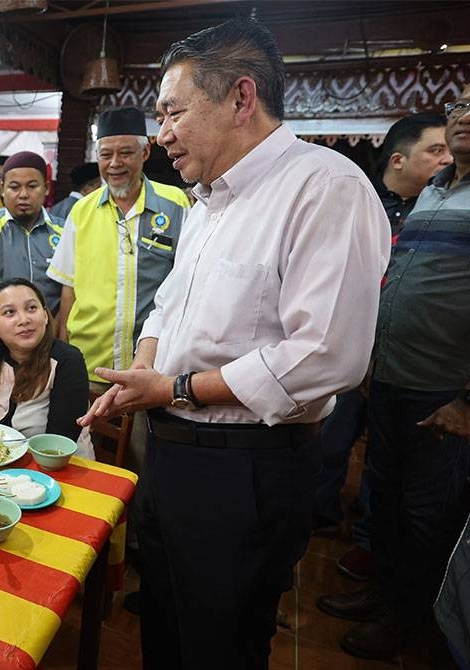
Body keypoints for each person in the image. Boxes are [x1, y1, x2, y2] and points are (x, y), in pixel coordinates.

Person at [80, 19, 390, 668]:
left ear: (241, 98)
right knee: (164, 618)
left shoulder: (324, 187)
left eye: (172, 113)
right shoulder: (208, 203)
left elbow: (325, 352)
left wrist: (177, 388)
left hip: (245, 467)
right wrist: (142, 370)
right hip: (170, 450)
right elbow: (169, 305)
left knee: (220, 641)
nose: (161, 134)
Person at [317, 85, 470, 661]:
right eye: (459, 107)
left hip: (443, 391)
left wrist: (467, 403)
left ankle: (408, 621)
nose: (463, 119)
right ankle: (384, 596)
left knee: (425, 514)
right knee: (384, 498)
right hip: (392, 379)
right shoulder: (434, 189)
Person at [312, 113, 452, 581]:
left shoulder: (436, 211)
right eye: (436, 150)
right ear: (398, 159)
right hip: (356, 355)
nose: (446, 158)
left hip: (427, 373)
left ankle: (387, 572)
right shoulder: (359, 203)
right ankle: (329, 520)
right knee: (345, 446)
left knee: (413, 486)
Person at [48, 106, 189, 382]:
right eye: (106, 155)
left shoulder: (175, 206)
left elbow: (188, 283)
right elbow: (68, 290)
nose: (115, 163)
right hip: (88, 364)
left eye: (125, 153)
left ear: (145, 152)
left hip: (153, 368)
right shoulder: (81, 211)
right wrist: (63, 355)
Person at [0, 278, 93, 458]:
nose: (24, 320)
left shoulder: (67, 360)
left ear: (46, 316)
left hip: (58, 468)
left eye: (31, 308)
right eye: (10, 312)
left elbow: (58, 444)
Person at [0, 151, 65, 314]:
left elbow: (69, 289)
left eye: (32, 186)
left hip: (52, 331)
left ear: (46, 188)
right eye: (14, 187)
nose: (23, 195)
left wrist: (50, 329)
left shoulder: (64, 231)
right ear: (2, 189)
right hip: (1, 333)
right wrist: (16, 323)